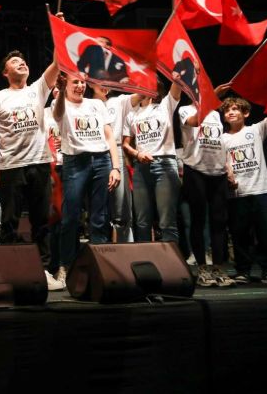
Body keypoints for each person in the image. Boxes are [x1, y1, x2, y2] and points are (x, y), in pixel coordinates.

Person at [0, 43, 59, 266]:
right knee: (9, 222)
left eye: (23, 61)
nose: (22, 63)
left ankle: (44, 269)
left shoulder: (38, 89)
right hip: (10, 166)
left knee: (41, 221)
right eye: (15, 61)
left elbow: (57, 64)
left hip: (39, 163)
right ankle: (9, 269)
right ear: (5, 72)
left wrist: (59, 34)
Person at [52, 73, 121, 281]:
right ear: (66, 84)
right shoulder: (60, 102)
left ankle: (100, 266)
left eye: (82, 82)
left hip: (101, 160)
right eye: (75, 82)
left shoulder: (97, 104)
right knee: (70, 217)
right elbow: (57, 114)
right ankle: (67, 266)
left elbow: (109, 136)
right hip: (75, 162)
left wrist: (116, 167)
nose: (80, 85)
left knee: (99, 218)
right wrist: (61, 92)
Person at [178, 86, 234, 287]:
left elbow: (220, 143)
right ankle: (202, 268)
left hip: (217, 172)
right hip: (196, 170)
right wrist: (212, 99)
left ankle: (218, 267)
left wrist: (227, 167)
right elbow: (195, 122)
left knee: (219, 221)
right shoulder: (185, 110)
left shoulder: (216, 115)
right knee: (198, 219)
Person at [122, 78, 183, 243]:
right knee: (142, 221)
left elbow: (177, 83)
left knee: (166, 221)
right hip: (141, 167)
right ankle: (145, 257)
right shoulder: (131, 114)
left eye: (148, 85)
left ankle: (171, 258)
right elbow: (125, 144)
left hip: (165, 164)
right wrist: (137, 154)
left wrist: (180, 71)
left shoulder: (164, 106)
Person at [221, 97, 267, 284]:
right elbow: (223, 162)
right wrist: (228, 175)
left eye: (235, 109)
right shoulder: (223, 138)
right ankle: (243, 270)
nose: (231, 113)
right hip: (237, 194)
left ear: (246, 113)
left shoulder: (256, 130)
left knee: (265, 233)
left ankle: (266, 270)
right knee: (240, 234)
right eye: (227, 111)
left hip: (261, 190)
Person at [88, 82, 139, 242]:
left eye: (108, 81)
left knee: (121, 210)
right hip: (92, 153)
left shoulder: (119, 101)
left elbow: (142, 94)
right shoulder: (85, 104)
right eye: (100, 81)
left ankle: (126, 251)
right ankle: (98, 249)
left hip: (116, 151)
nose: (105, 85)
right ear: (90, 82)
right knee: (97, 209)